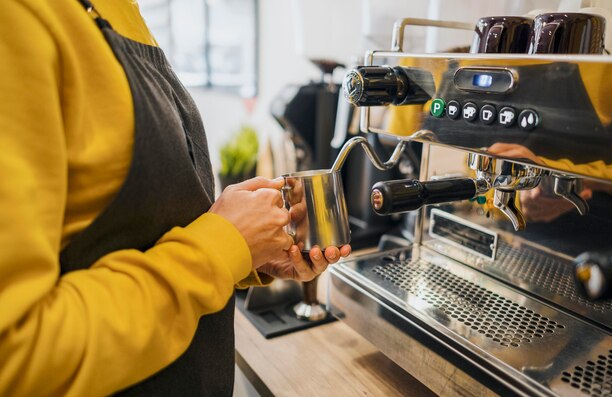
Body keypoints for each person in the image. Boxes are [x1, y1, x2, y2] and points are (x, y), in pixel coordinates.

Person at [0, 1, 350, 396]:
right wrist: (220, 247)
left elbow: (136, 232)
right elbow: (16, 355)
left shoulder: (122, 13)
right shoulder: (17, 20)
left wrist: (245, 253)